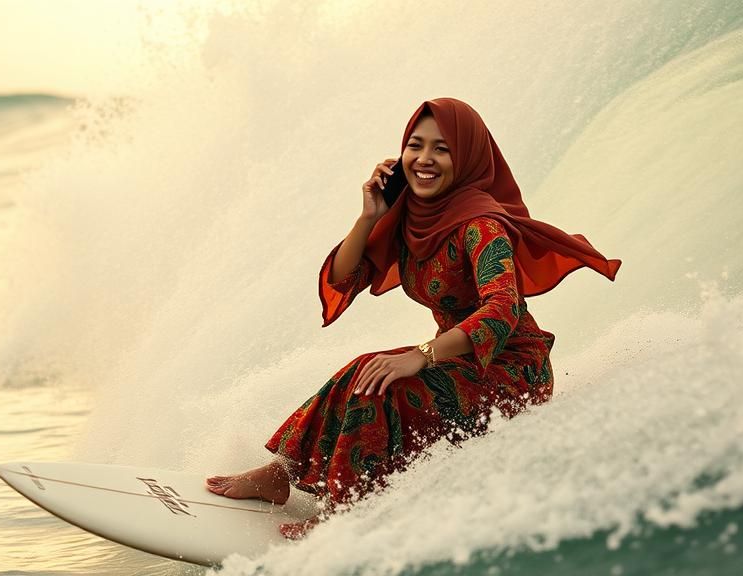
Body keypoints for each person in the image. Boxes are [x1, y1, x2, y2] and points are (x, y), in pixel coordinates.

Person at [206, 98, 620, 538]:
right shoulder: (411, 217)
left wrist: (421, 355)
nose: (424, 159)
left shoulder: (481, 224)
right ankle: (281, 474)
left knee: (384, 390)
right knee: (361, 371)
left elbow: (503, 310)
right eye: (415, 146)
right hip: (459, 360)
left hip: (511, 371)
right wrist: (369, 216)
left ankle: (345, 513)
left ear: (466, 157)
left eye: (442, 149)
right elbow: (346, 276)